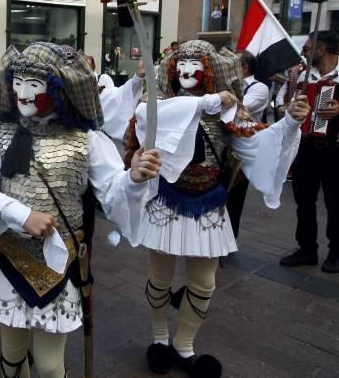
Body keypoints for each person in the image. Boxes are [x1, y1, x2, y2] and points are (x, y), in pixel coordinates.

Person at [0, 42, 161, 378]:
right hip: (9, 257)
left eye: (34, 85)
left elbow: (112, 191)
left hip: (60, 261)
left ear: (57, 88)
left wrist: (135, 178)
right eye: (18, 83)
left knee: (51, 366)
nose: (23, 93)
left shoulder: (86, 138)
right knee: (12, 356)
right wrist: (20, 214)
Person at [122, 40, 308, 377]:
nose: (188, 71)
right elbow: (144, 119)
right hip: (166, 200)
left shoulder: (228, 109)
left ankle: (185, 344)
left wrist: (290, 123)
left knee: (204, 282)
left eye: (196, 64)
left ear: (209, 69)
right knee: (160, 277)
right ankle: (159, 339)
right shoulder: (158, 103)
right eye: (182, 64)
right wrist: (210, 102)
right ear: (172, 68)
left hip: (208, 202)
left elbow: (254, 141)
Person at [277, 31, 339, 273]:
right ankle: (307, 248)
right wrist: (289, 109)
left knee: (335, 203)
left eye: (308, 47)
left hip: (335, 149)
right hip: (305, 146)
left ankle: (335, 252)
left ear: (321, 50)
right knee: (304, 200)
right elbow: (280, 104)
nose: (303, 51)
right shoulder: (303, 76)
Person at [225, 51, 271, 239]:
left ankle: (229, 240)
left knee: (234, 197)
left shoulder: (259, 88)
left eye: (231, 64)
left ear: (244, 68)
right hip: (224, 145)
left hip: (243, 150)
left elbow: (239, 108)